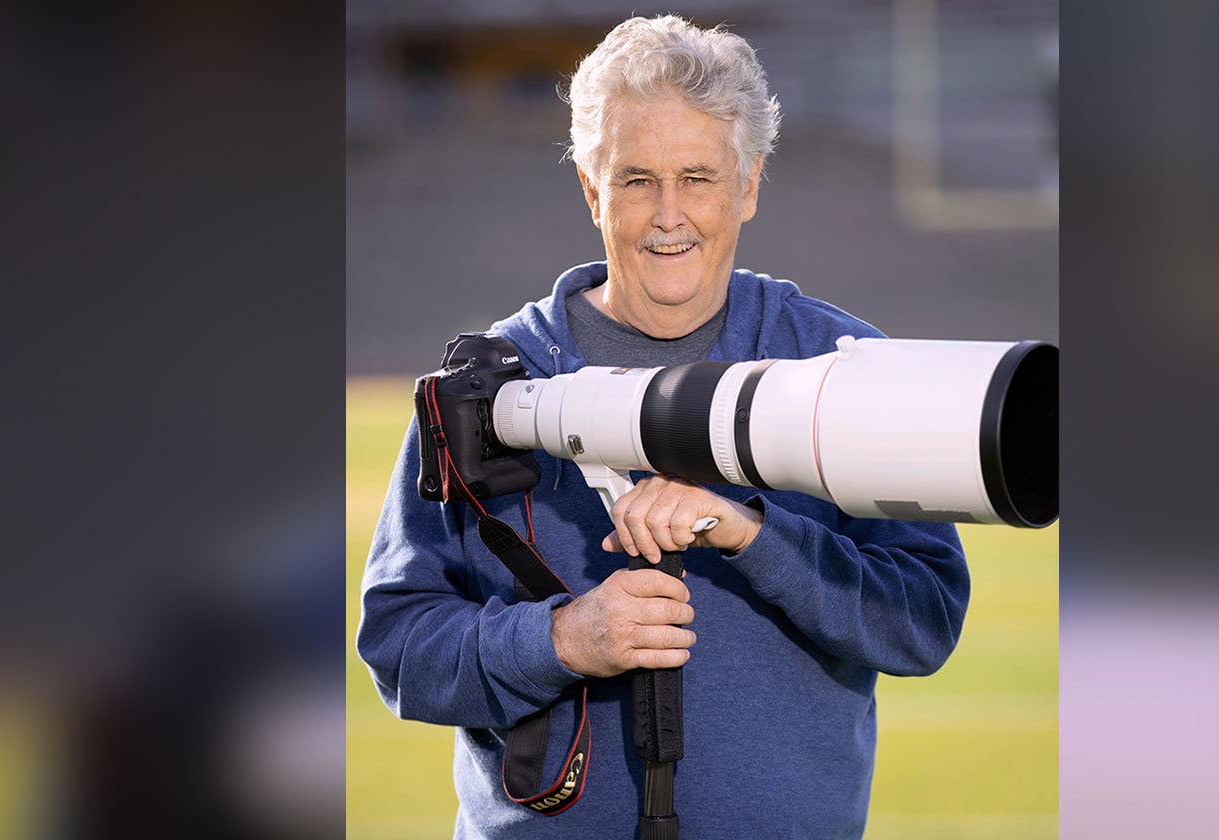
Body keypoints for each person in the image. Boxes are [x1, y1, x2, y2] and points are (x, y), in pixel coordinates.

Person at [358, 15, 970, 839]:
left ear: (749, 185)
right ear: (590, 187)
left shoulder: (838, 364)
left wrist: (757, 536)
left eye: (699, 177)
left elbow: (923, 619)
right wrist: (561, 642)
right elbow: (398, 647)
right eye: (637, 178)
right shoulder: (492, 383)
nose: (668, 215)